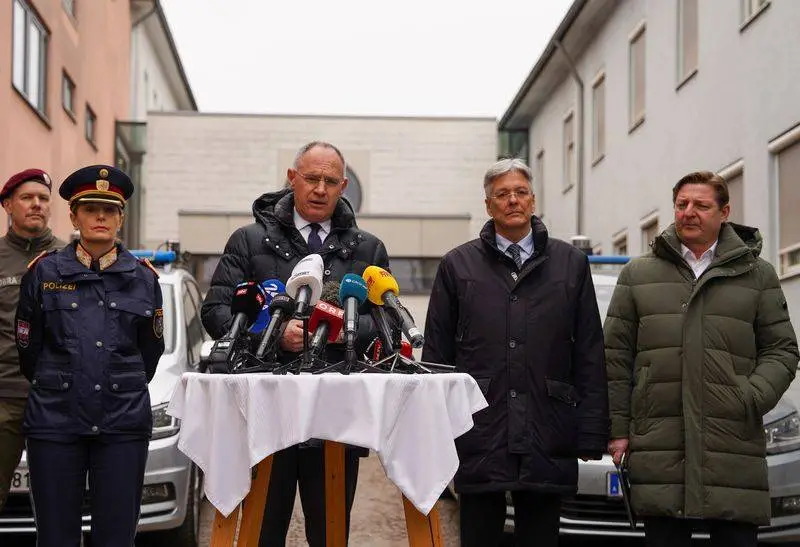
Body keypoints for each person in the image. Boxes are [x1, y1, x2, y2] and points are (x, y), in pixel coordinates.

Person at [201, 141, 390, 546]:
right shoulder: (248, 241)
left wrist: (345, 331)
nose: (320, 189)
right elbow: (216, 313)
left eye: (330, 181)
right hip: (265, 410)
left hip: (338, 414)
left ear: (343, 187)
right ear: (292, 179)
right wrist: (268, 334)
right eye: (311, 178)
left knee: (331, 534)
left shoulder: (368, 249)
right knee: (263, 532)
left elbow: (385, 325)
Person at [605, 171, 799, 547]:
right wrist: (618, 429)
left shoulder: (757, 275)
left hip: (732, 445)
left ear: (724, 211)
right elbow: (615, 356)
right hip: (660, 443)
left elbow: (782, 349)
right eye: (681, 205)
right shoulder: (638, 274)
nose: (688, 212)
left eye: (701, 205)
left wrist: (749, 397)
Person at [422, 158, 609, 547]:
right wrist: (435, 432)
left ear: (533, 201)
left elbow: (590, 350)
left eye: (520, 192)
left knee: (541, 536)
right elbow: (437, 354)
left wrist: (592, 431)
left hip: (548, 423)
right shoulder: (458, 265)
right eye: (502, 194)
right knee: (478, 534)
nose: (512, 201)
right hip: (480, 424)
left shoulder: (570, 264)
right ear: (488, 206)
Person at [15, 165, 165, 546]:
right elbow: (29, 348)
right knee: (54, 537)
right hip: (55, 420)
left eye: (109, 209)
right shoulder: (44, 272)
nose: (100, 217)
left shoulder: (144, 279)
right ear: (74, 215)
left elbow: (150, 352)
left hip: (121, 424)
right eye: (90, 208)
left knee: (116, 538)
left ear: (121, 217)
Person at [0, 169, 65, 512]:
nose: (37, 205)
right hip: (4, 399)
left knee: (58, 507)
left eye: (43, 198)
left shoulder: (69, 259)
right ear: (8, 205)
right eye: (27, 198)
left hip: (56, 401)